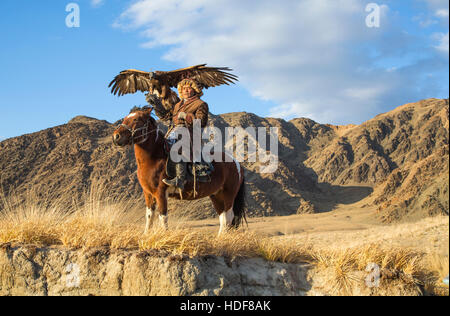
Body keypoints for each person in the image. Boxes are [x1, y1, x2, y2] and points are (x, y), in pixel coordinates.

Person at [162, 79, 209, 189]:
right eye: (183, 89)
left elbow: (201, 122)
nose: (186, 90)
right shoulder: (178, 105)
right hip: (173, 131)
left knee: (180, 143)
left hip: (190, 133)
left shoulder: (200, 104)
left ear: (194, 90)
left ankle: (180, 179)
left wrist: (187, 116)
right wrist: (156, 104)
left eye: (189, 88)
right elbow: (167, 117)